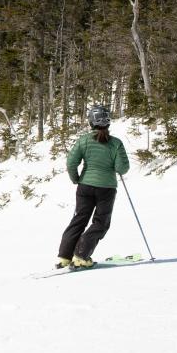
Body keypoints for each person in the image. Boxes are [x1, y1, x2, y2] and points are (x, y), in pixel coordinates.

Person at [56, 105, 130, 268]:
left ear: (91, 122)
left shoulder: (84, 140)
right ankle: (81, 255)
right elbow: (122, 168)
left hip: (85, 187)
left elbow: (71, 163)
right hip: (107, 188)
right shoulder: (116, 143)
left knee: (79, 219)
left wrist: (76, 179)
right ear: (108, 122)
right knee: (101, 223)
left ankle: (65, 256)